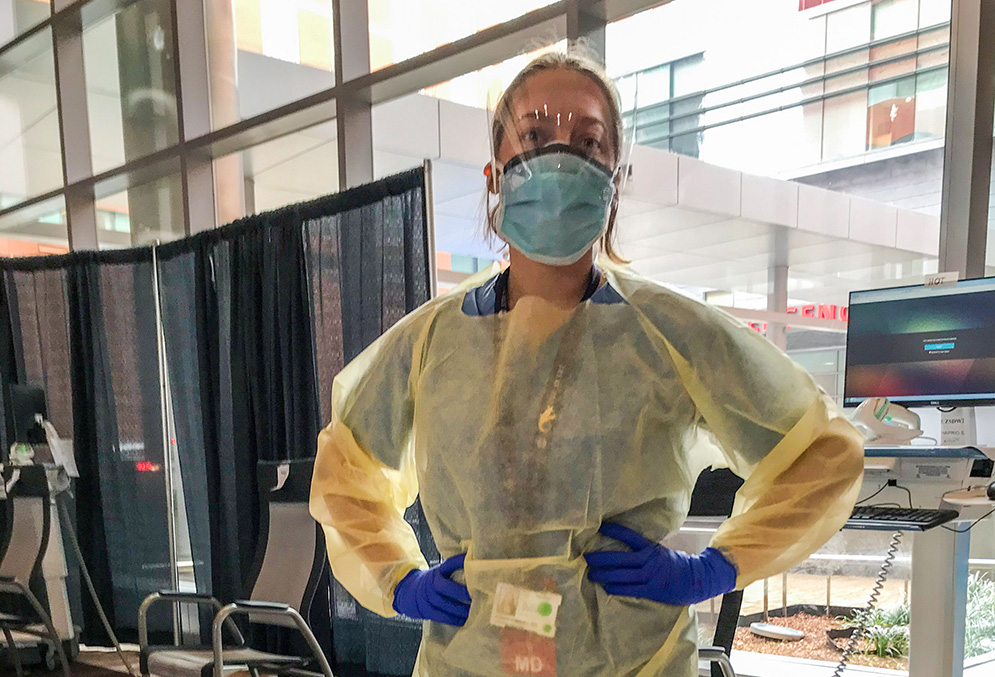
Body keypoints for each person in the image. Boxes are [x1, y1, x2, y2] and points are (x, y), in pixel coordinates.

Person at [310, 49, 864, 677]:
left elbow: (821, 452)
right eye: (537, 136)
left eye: (587, 141)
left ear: (614, 176)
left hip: (633, 660)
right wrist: (399, 579)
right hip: (473, 659)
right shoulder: (429, 344)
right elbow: (345, 474)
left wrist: (716, 566)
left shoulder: (669, 333)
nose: (559, 158)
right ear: (495, 174)